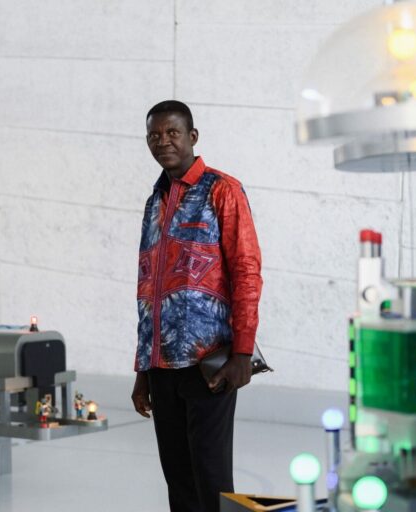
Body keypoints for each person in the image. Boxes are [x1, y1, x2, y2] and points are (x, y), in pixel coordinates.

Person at [131, 100, 263, 512]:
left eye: (172, 132)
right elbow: (148, 290)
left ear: (192, 136)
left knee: (212, 478)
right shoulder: (154, 201)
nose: (163, 141)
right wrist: (142, 369)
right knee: (179, 480)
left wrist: (242, 352)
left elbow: (246, 271)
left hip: (210, 363)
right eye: (154, 135)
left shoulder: (223, 190)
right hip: (161, 367)